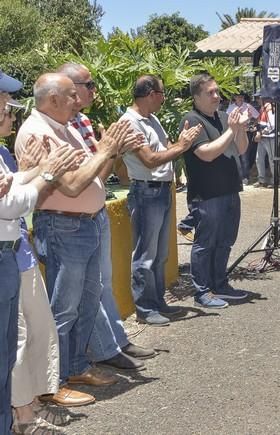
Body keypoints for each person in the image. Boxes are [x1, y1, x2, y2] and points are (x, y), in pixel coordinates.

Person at [14, 73, 140, 407]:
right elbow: (70, 185)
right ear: (52, 98)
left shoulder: (66, 126)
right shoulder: (36, 133)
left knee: (87, 301)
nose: (78, 100)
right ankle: (53, 383)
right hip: (63, 227)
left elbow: (92, 177)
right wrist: (107, 149)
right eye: (71, 95)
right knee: (64, 308)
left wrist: (109, 153)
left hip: (83, 224)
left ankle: (75, 367)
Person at [58, 62, 157, 370]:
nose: (94, 90)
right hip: (69, 221)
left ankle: (114, 343)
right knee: (72, 301)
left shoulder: (83, 123)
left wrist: (112, 151)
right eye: (89, 85)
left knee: (102, 283)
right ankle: (86, 361)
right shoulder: (54, 126)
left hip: (94, 213)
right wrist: (109, 149)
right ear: (70, 89)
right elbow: (75, 181)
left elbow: (99, 173)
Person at [0, 78, 84, 432]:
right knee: (10, 349)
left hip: (12, 253)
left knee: (13, 347)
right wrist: (47, 172)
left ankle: (21, 415)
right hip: (7, 254)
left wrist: (35, 171)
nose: (9, 109)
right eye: (4, 102)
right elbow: (11, 206)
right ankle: (21, 416)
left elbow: (12, 191)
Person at [120, 75, 202, 325]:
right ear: (150, 94)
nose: (164, 99)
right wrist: (183, 146)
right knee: (145, 254)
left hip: (161, 190)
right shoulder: (130, 123)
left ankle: (157, 302)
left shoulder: (151, 119)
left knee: (159, 254)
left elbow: (166, 147)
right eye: (162, 93)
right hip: (146, 191)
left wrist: (179, 144)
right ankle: (145, 308)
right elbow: (150, 159)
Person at [180, 73, 249, 309]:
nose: (217, 96)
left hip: (230, 189)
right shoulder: (191, 120)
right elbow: (206, 153)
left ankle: (219, 283)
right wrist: (231, 130)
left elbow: (241, 149)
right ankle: (202, 290)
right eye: (210, 92)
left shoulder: (223, 117)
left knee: (226, 241)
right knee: (205, 243)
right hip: (206, 195)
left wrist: (239, 129)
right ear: (196, 97)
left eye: (217, 91)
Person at [227, 93, 259, 186]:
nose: (240, 99)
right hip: (234, 132)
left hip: (246, 132)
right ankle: (237, 177)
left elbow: (257, 116)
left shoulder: (248, 106)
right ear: (235, 98)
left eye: (241, 97)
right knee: (235, 155)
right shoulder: (231, 107)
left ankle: (245, 177)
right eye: (238, 97)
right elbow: (227, 119)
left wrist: (252, 125)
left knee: (244, 155)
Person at [253, 98, 276, 188]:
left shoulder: (270, 109)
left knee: (272, 160)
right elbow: (261, 123)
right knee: (259, 159)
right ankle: (261, 180)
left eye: (259, 98)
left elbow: (272, 125)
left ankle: (275, 181)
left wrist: (261, 133)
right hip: (263, 137)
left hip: (271, 138)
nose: (257, 100)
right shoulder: (263, 109)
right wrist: (257, 130)